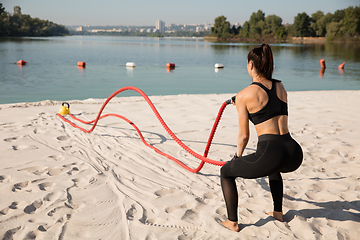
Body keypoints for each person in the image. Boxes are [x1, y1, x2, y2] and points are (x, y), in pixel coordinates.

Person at [220, 43, 303, 232]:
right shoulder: (280, 86)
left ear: (250, 65)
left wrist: (237, 157)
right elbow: (269, 102)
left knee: (226, 172)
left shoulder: (244, 95)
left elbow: (243, 136)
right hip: (294, 152)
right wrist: (241, 100)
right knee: (274, 167)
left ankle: (232, 221)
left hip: (272, 152)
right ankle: (278, 213)